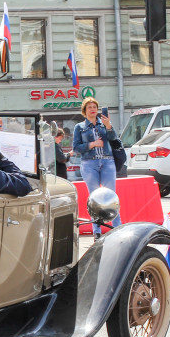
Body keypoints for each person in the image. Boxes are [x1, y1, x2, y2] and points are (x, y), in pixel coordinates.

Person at [72, 97, 122, 239]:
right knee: (94, 198)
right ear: (85, 110)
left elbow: (114, 140)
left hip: (107, 162)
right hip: (89, 163)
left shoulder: (104, 124)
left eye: (95, 107)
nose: (93, 109)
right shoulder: (79, 127)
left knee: (111, 196)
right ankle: (97, 231)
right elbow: (76, 147)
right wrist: (92, 144)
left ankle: (117, 227)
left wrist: (108, 126)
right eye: (90, 107)